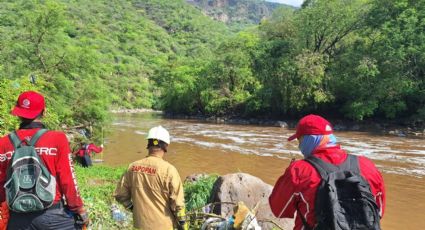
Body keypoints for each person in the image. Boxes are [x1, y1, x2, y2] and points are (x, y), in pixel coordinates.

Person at [269, 114, 385, 230]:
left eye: (300, 140)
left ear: (312, 139)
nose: (299, 146)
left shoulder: (299, 170)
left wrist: (288, 176)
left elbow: (278, 210)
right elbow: (378, 212)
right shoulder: (367, 166)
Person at [0, 91, 89, 229]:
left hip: (17, 217)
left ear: (18, 113)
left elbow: (1, 182)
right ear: (44, 111)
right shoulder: (57, 139)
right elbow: (67, 179)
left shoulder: (4, 143)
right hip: (52, 215)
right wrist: (79, 208)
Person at [114, 125, 187, 230]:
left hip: (139, 225)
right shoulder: (169, 170)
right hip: (164, 226)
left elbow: (120, 195)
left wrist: (133, 208)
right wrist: (184, 226)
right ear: (166, 145)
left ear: (148, 144)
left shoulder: (132, 167)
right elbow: (178, 206)